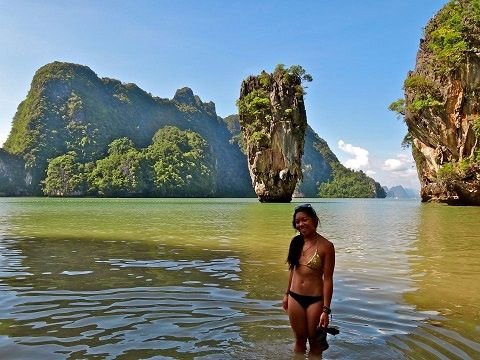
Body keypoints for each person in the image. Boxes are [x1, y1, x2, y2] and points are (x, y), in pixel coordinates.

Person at [282, 204, 335, 355]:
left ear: (314, 220)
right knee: (299, 340)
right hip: (294, 298)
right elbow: (293, 269)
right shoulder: (296, 242)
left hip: (315, 301)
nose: (300, 224)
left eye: (304, 220)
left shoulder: (327, 246)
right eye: (297, 222)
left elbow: (328, 279)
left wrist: (326, 309)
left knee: (315, 342)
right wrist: (286, 294)